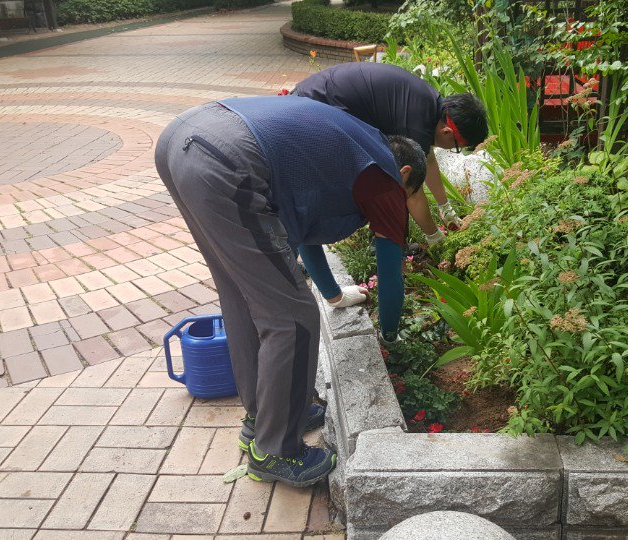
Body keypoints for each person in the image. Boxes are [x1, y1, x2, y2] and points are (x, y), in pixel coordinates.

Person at [154, 96, 427, 488]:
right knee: (293, 316)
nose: (402, 202)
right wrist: (390, 334)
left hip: (183, 137)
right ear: (403, 173)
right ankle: (276, 450)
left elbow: (305, 236)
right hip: (224, 158)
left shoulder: (351, 148)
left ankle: (265, 417)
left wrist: (333, 294)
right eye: (409, 193)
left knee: (242, 293)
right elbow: (390, 272)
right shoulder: (383, 180)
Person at [291, 62, 488, 242]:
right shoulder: (417, 124)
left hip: (315, 99)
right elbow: (412, 192)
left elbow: (427, 158)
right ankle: (299, 238)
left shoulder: (428, 105)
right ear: (447, 132)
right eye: (456, 148)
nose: (451, 150)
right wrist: (435, 237)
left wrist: (444, 206)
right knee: (341, 192)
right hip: (311, 111)